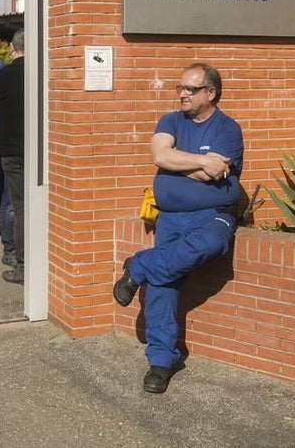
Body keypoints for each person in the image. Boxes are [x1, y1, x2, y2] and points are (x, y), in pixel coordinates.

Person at [112, 63, 244, 395]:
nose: (182, 93)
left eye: (190, 88)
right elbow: (160, 155)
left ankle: (139, 264)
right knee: (164, 280)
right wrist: (198, 161)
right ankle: (161, 361)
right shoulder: (171, 120)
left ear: (210, 93)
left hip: (211, 214)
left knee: (210, 243)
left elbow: (213, 173)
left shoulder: (228, 128)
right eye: (180, 87)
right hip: (170, 217)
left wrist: (175, 162)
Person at [0, 29, 25, 283]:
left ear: (12, 49)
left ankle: (19, 263)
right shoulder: (45, 72)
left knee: (16, 206)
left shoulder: (0, 76)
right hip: (42, 151)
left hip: (12, 150)